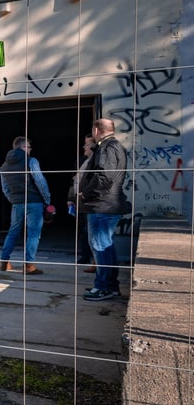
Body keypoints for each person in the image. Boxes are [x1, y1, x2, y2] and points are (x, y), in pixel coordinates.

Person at [79, 118, 130, 301]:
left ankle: (103, 287)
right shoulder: (114, 146)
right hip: (107, 204)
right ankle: (110, 286)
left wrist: (85, 193)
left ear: (95, 130)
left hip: (102, 204)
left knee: (100, 245)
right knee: (106, 245)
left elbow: (104, 176)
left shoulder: (107, 147)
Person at [0, 136, 51, 275]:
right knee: (33, 234)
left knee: (13, 232)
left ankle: (4, 262)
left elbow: (5, 188)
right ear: (22, 147)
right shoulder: (31, 161)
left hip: (17, 204)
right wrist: (47, 200)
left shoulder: (4, 166)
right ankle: (29, 265)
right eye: (28, 146)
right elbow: (40, 182)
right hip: (34, 202)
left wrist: (14, 200)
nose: (30, 149)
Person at [67, 134, 95, 271]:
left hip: (91, 202)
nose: (84, 147)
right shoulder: (81, 161)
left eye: (87, 144)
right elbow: (74, 181)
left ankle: (96, 260)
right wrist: (70, 198)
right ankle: (85, 256)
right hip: (80, 200)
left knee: (92, 231)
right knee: (83, 229)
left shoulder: (97, 161)